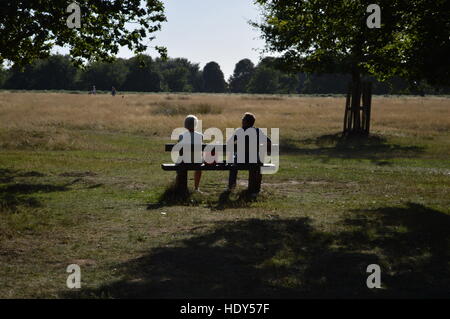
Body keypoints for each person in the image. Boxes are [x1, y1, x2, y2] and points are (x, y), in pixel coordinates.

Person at [227, 112, 271, 194]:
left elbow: (229, 143)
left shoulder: (239, 131)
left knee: (232, 164)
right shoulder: (257, 131)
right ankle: (253, 189)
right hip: (254, 161)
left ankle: (231, 187)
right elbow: (269, 142)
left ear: (245, 122)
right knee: (256, 165)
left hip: (240, 161)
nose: (242, 121)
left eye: (243, 120)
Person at [178, 115, 203, 192]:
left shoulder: (181, 136)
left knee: (179, 164)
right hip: (196, 161)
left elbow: (180, 151)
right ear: (196, 124)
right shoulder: (200, 136)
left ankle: (179, 187)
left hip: (184, 161)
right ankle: (196, 188)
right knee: (199, 167)